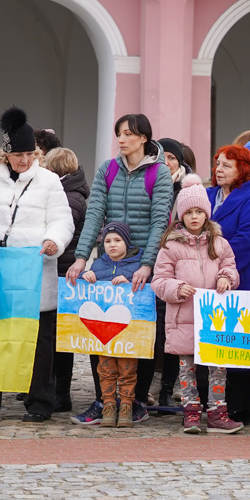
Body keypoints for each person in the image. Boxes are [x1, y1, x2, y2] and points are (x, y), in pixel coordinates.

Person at [0, 107, 74, 422]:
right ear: (6, 154)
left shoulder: (48, 181)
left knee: (38, 340)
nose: (24, 160)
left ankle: (39, 403)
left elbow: (63, 220)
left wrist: (54, 241)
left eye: (29, 154)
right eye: (18, 154)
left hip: (34, 270)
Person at [66, 114, 173, 426]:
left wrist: (147, 265)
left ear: (143, 138)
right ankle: (104, 399)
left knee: (139, 331)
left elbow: (159, 222)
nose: (121, 139)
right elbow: (95, 213)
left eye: (128, 134)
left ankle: (135, 401)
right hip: (109, 262)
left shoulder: (160, 173)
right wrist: (82, 257)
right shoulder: (107, 170)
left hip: (140, 264)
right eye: (119, 134)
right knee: (97, 328)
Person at [152, 184, 243, 434]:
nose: (194, 217)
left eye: (199, 211)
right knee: (187, 368)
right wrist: (176, 288)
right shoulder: (170, 247)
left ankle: (217, 412)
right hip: (184, 318)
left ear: (207, 213)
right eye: (189, 212)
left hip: (215, 320)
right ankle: (191, 412)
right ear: (181, 215)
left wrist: (226, 278)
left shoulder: (220, 244)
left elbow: (231, 267)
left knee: (218, 368)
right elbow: (159, 280)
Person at [207, 144, 250, 424]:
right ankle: (215, 401)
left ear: (242, 170)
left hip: (244, 273)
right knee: (216, 339)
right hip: (212, 273)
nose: (219, 170)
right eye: (218, 164)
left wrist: (216, 262)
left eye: (226, 166)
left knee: (241, 340)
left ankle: (244, 405)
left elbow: (248, 238)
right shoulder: (208, 195)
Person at [80, 223, 144, 427]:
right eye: (107, 241)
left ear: (127, 242)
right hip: (104, 330)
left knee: (127, 369)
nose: (112, 245)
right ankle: (108, 404)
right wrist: (86, 276)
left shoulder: (138, 265)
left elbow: (146, 284)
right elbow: (87, 288)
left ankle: (126, 405)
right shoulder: (98, 265)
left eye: (117, 240)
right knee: (105, 368)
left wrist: (130, 280)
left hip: (128, 330)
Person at [44, 147, 90, 413]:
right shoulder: (77, 192)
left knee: (56, 336)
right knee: (59, 335)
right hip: (64, 269)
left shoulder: (68, 198)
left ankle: (60, 393)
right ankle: (57, 390)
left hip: (61, 269)